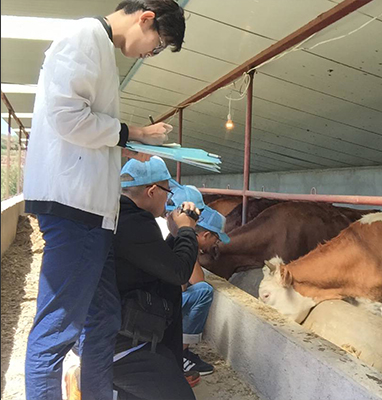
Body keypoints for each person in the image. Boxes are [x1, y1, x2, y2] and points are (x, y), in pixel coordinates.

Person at [23, 1, 186, 399]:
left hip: (92, 212)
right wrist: (132, 133)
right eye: (157, 45)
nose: (150, 53)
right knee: (57, 330)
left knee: (103, 320)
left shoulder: (99, 48)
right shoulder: (82, 38)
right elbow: (68, 117)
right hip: (74, 208)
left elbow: (83, 130)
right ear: (145, 18)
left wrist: (120, 145)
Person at [112, 156, 198, 399]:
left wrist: (174, 236)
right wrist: (187, 230)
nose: (168, 199)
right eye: (167, 191)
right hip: (124, 344)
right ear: (152, 191)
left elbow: (157, 263)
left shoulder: (120, 215)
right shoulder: (134, 222)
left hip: (122, 332)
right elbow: (179, 272)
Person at [165, 186, 231, 376]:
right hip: (162, 307)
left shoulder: (173, 235)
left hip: (154, 302)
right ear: (205, 235)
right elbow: (197, 280)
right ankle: (181, 353)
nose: (215, 245)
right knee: (203, 291)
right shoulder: (187, 242)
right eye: (215, 239)